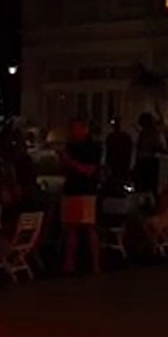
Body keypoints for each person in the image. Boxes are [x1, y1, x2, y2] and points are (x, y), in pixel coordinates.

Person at [59, 119, 102, 275]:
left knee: (89, 227)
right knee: (71, 228)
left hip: (85, 191)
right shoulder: (71, 147)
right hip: (71, 189)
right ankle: (69, 263)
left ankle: (95, 264)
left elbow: (89, 170)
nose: (73, 132)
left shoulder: (93, 147)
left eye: (75, 128)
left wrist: (70, 163)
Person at [104, 118, 134, 186]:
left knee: (119, 176)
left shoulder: (124, 137)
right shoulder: (111, 137)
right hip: (116, 161)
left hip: (121, 161)